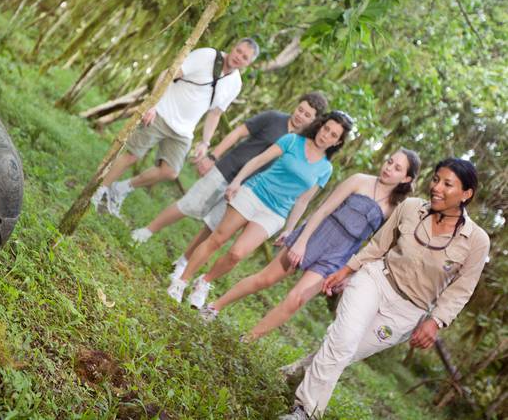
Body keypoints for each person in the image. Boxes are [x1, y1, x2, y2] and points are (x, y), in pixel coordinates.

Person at [280, 158, 490, 420]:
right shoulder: (411, 208)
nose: (436, 187)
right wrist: (347, 269)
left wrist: (435, 321)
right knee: (342, 342)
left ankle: (296, 372)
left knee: (346, 352)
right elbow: (378, 246)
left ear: (466, 194)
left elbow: (462, 289)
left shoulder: (477, 240)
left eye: (448, 184)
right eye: (436, 179)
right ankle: (305, 412)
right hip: (376, 280)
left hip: (407, 311)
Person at [199, 149, 421, 337]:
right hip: (315, 236)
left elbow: (378, 248)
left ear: (406, 179)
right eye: (390, 161)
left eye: (397, 168)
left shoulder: (395, 210)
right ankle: (213, 307)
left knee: (296, 301)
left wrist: (349, 274)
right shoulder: (359, 181)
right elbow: (323, 209)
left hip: (338, 256)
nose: (389, 168)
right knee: (265, 279)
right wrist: (301, 242)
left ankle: (248, 339)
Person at [167, 111, 354, 309]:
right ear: (319, 125)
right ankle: (181, 282)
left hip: (275, 213)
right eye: (326, 129)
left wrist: (289, 230)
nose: (326, 136)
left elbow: (302, 201)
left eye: (333, 135)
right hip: (253, 193)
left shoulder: (326, 169)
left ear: (337, 143)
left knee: (236, 254)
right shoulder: (292, 140)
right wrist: (237, 182)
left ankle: (203, 282)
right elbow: (258, 161)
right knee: (217, 239)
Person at [130, 92, 328, 253]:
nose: (300, 115)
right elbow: (238, 133)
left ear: (315, 121)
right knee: (189, 205)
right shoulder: (273, 118)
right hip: (227, 169)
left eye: (307, 115)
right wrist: (213, 156)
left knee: (213, 227)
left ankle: (183, 262)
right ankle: (146, 231)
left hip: (248, 189)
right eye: (300, 109)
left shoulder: (303, 146)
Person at [91, 38, 260, 217]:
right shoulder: (207, 55)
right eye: (239, 51)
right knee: (132, 155)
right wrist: (153, 104)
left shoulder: (235, 84)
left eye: (245, 57)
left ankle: (120, 189)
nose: (239, 57)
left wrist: (205, 142)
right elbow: (168, 73)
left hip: (185, 130)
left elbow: (215, 113)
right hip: (161, 113)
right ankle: (98, 191)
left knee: (170, 171)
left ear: (249, 63)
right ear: (233, 48)